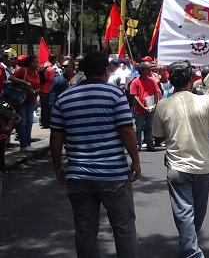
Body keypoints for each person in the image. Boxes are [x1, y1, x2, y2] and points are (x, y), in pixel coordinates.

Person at [49, 51, 141, 258]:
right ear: (105, 70)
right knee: (124, 228)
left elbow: (56, 137)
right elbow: (126, 130)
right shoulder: (115, 95)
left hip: (79, 176)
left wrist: (57, 168)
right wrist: (136, 162)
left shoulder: (64, 98)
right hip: (113, 175)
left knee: (85, 231)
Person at [152, 60, 209, 258]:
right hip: (202, 166)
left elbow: (158, 136)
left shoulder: (163, 104)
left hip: (177, 166)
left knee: (185, 212)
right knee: (197, 212)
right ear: (191, 79)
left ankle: (190, 246)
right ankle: (192, 251)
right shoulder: (205, 101)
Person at [10, 55, 40, 152]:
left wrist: (36, 93)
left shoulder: (36, 72)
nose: (36, 64)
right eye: (34, 62)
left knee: (29, 122)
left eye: (37, 62)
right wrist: (25, 83)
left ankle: (28, 144)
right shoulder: (23, 70)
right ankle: (24, 145)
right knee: (23, 122)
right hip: (21, 100)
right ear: (29, 63)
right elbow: (11, 78)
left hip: (31, 100)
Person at [130, 62, 161, 151]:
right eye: (147, 69)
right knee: (138, 127)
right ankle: (137, 145)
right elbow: (135, 96)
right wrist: (143, 107)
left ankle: (150, 144)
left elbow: (156, 92)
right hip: (140, 109)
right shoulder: (135, 82)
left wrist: (155, 104)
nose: (149, 71)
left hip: (151, 107)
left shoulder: (151, 80)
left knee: (150, 127)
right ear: (142, 71)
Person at [39, 54, 57, 129]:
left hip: (41, 89)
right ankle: (47, 123)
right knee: (48, 108)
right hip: (47, 90)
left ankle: (43, 122)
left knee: (43, 108)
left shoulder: (42, 65)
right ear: (53, 60)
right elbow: (52, 80)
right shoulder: (51, 69)